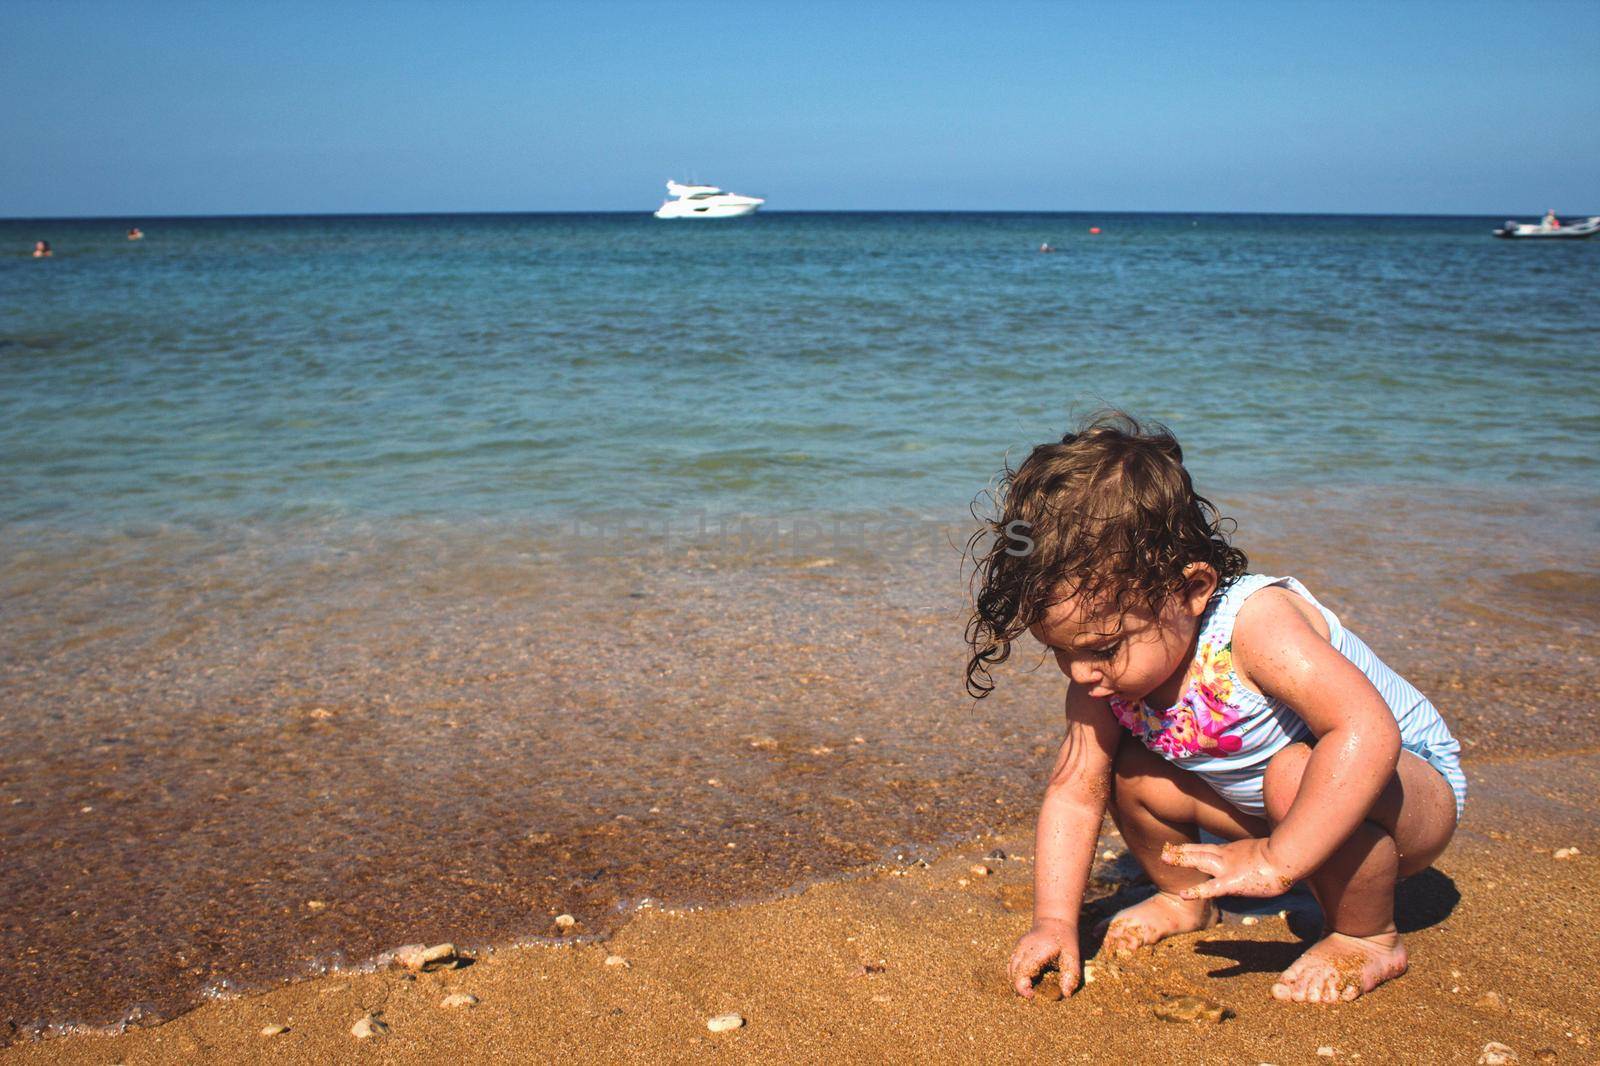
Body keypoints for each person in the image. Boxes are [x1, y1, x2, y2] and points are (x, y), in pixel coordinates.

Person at [966, 412, 1464, 1005]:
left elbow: (1366, 731)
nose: (1080, 673)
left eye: (1102, 647)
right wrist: (1053, 920)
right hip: (1275, 809)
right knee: (1129, 773)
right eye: (1060, 651)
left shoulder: (1256, 627)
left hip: (1404, 791)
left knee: (1291, 773)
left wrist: (1281, 859)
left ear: (1193, 588)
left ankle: (1367, 935)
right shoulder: (1103, 677)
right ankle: (1188, 899)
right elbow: (1075, 792)